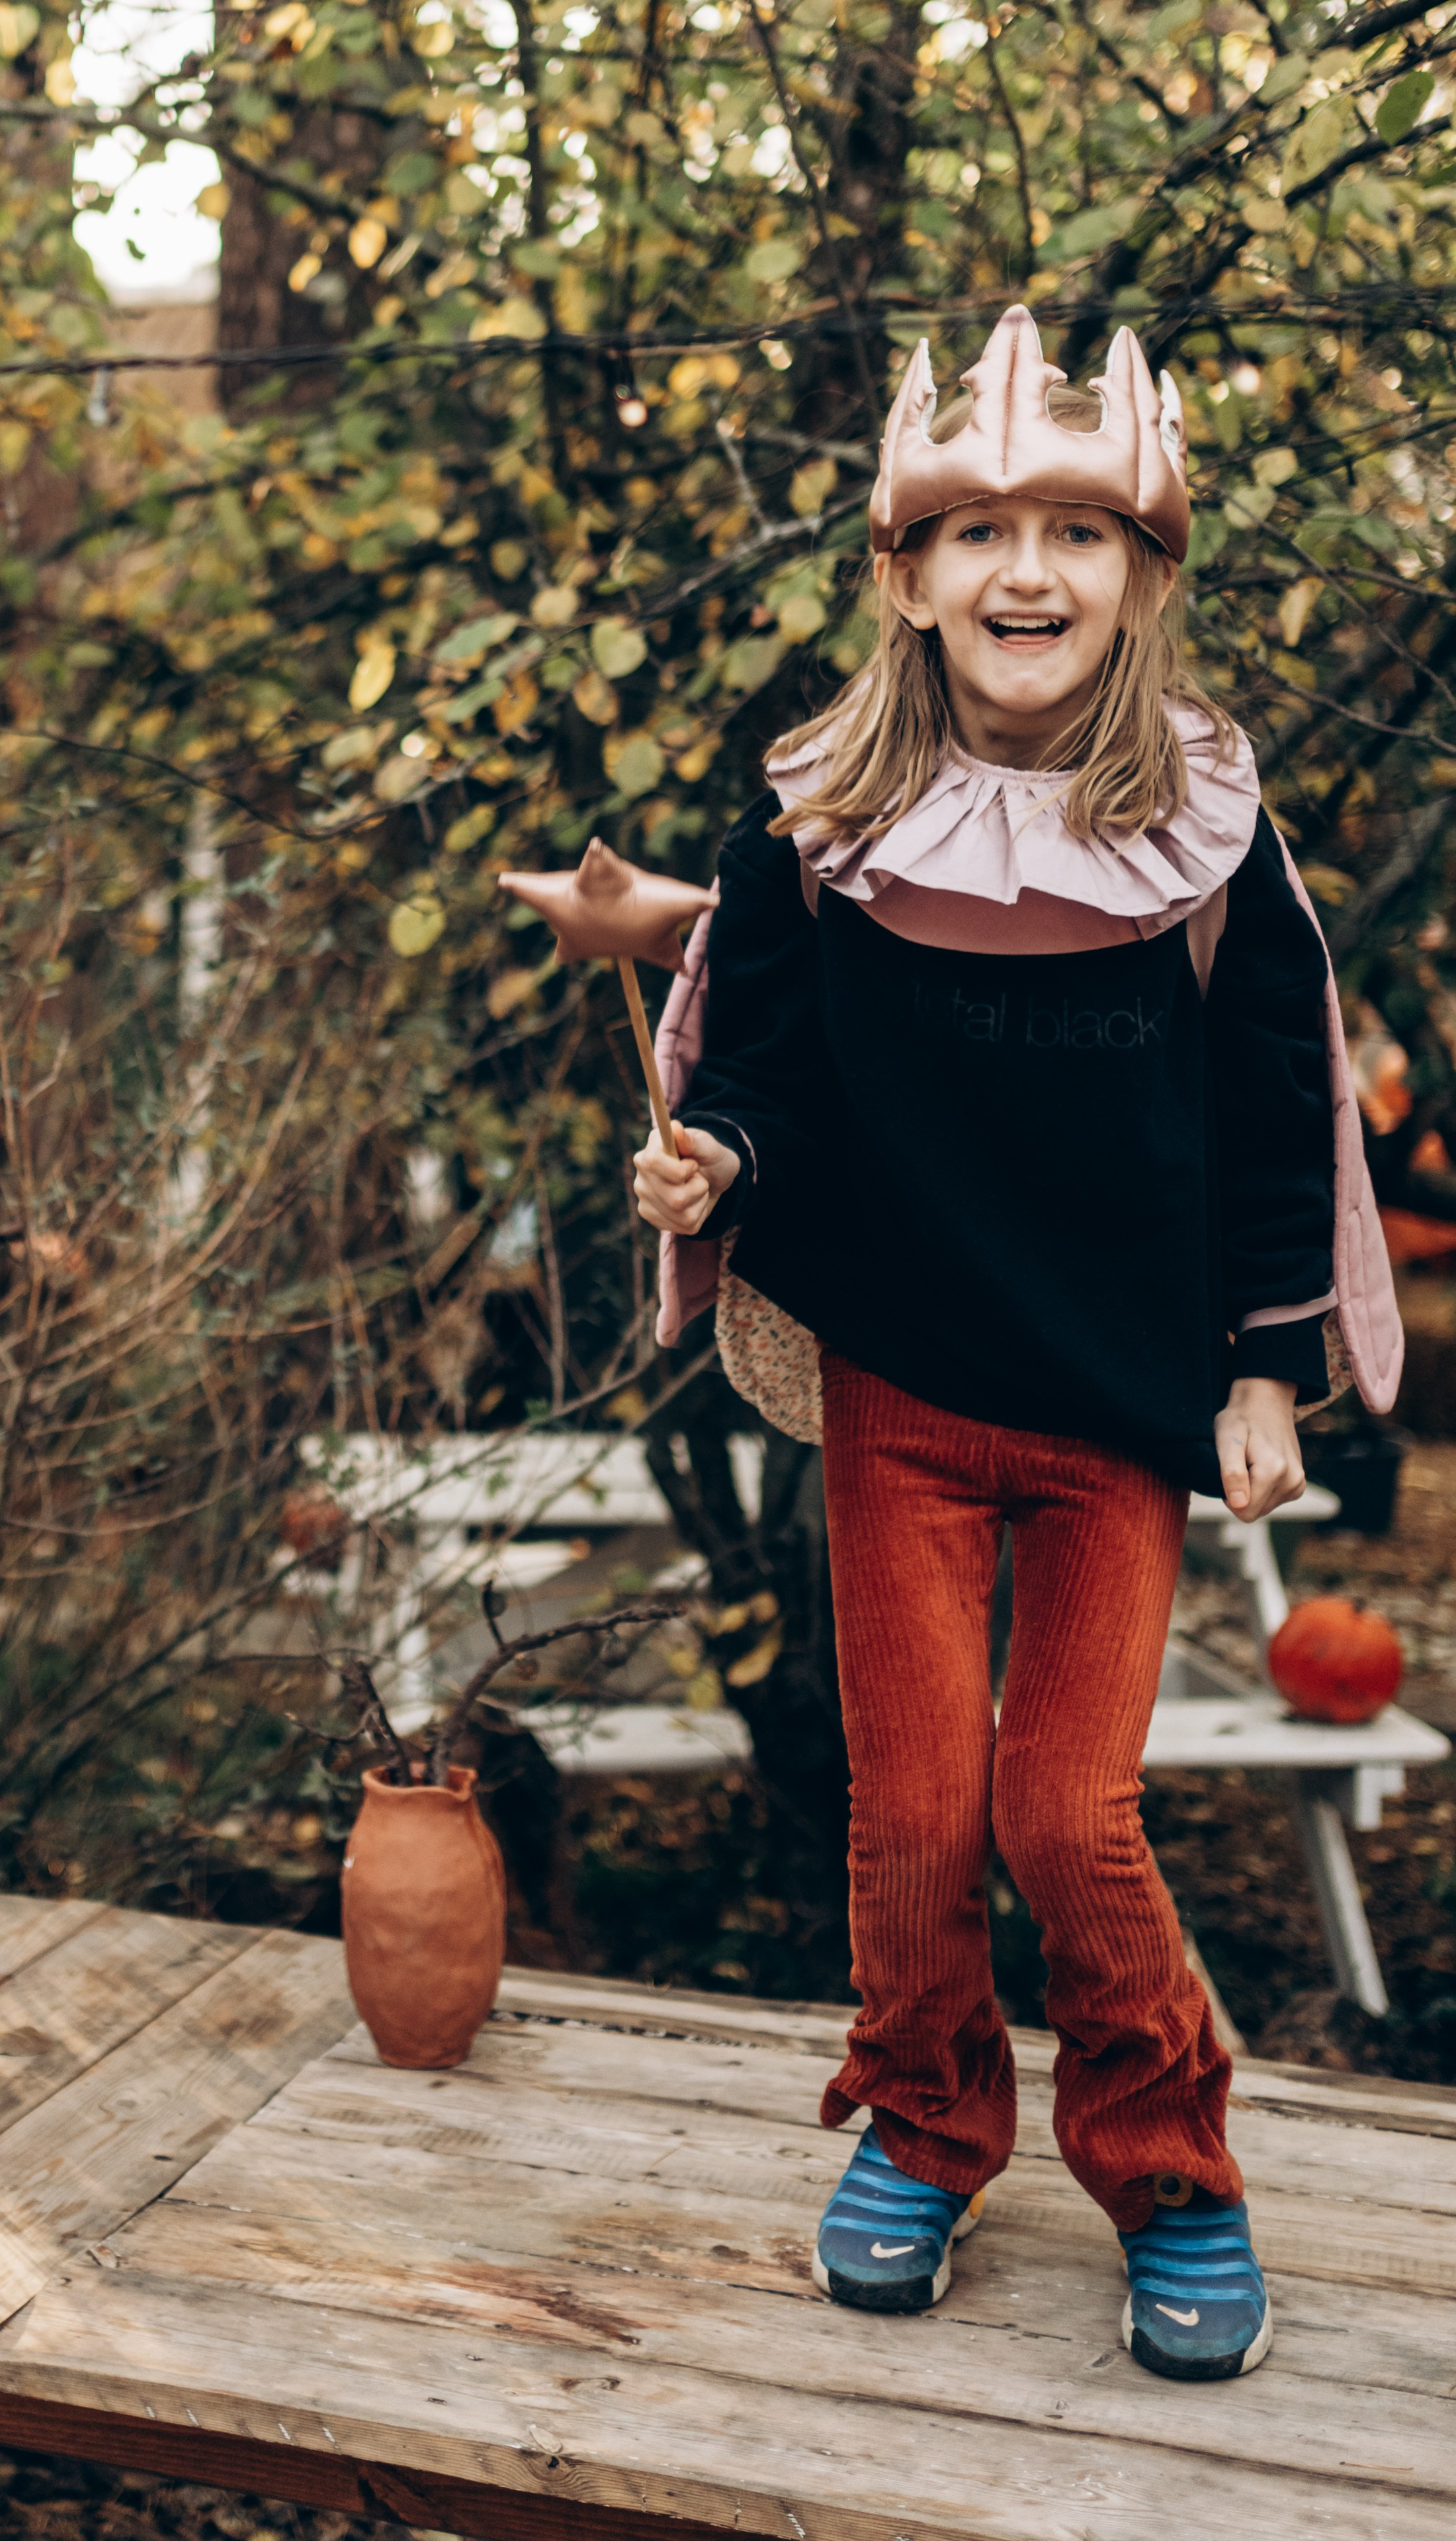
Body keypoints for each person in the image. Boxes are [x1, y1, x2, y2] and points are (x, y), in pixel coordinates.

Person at [632, 306, 1402, 2384]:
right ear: (904, 577)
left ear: (1143, 576)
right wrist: (719, 1160)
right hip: (902, 1387)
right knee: (911, 1816)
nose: (1027, 572)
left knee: (1064, 1814)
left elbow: (1275, 1120)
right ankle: (921, 2121)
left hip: (1116, 1408)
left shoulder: (1209, 843)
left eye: (1077, 531)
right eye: (977, 535)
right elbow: (769, 1080)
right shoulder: (815, 838)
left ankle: (1170, 2162)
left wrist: (1264, 1368)